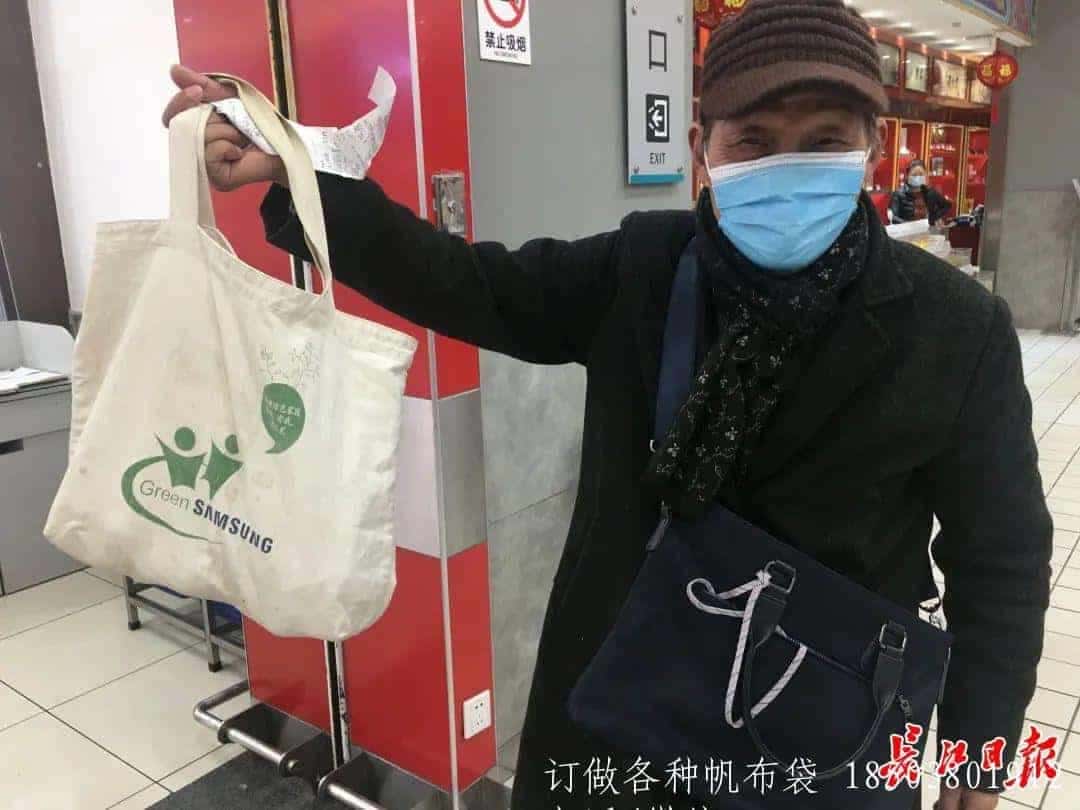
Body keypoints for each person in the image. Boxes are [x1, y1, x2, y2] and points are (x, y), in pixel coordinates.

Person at [162, 2, 1050, 808]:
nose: (787, 168)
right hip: (621, 721)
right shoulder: (645, 270)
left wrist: (978, 756)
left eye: (823, 141)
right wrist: (297, 178)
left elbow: (1000, 558)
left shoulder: (954, 328)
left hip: (817, 739)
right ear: (702, 146)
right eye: (753, 141)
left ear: (871, 144)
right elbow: (469, 285)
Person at [890, 159, 953, 225]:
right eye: (914, 175)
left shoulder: (930, 192)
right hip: (907, 230)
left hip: (927, 229)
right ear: (907, 176)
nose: (917, 177)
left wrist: (935, 218)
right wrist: (911, 225)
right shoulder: (898, 194)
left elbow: (947, 205)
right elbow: (893, 218)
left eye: (921, 174)